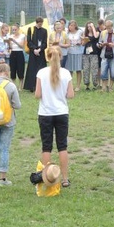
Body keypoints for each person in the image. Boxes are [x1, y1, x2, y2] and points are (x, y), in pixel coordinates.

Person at [36, 46, 74, 187]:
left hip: (45, 113)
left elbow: (37, 94)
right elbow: (70, 94)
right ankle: (64, 179)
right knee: (62, 146)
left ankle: (48, 177)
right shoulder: (66, 73)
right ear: (61, 57)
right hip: (61, 112)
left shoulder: (41, 73)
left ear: (47, 57)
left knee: (46, 147)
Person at [23, 17, 48, 93]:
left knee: (41, 69)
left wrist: (40, 49)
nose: (40, 25)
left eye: (41, 23)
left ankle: (42, 86)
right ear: (36, 23)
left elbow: (44, 43)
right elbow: (29, 41)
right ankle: (31, 86)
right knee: (32, 69)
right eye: (39, 23)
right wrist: (34, 49)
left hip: (41, 52)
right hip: (33, 53)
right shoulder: (31, 29)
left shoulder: (44, 31)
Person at [98, 20, 114, 93]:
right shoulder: (103, 33)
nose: (107, 28)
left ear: (112, 26)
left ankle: (111, 87)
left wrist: (113, 45)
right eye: (106, 27)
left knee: (113, 72)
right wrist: (102, 44)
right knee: (103, 72)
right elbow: (99, 43)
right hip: (104, 55)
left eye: (109, 27)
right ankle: (104, 87)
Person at [66, 20, 84, 91]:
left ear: (75, 26)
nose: (71, 27)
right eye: (70, 25)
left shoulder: (80, 32)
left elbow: (83, 41)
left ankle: (78, 86)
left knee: (78, 69)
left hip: (78, 52)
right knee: (70, 70)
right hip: (70, 52)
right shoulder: (67, 33)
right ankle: (70, 85)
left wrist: (80, 42)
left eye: (73, 25)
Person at [81, 21, 100, 91]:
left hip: (94, 53)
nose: (89, 28)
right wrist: (85, 40)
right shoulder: (85, 34)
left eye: (90, 26)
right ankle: (87, 84)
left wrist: (93, 27)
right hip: (86, 53)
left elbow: (95, 36)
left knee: (94, 69)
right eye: (88, 26)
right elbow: (82, 44)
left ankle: (95, 84)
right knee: (86, 69)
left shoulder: (97, 32)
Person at [7, 23, 26, 88]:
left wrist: (14, 41)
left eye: (15, 29)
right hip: (13, 53)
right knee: (13, 69)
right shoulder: (10, 36)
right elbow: (10, 47)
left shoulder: (22, 36)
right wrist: (8, 43)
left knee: (20, 69)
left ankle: (21, 86)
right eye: (13, 30)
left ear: (18, 29)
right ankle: (13, 85)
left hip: (19, 53)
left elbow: (22, 46)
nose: (14, 31)